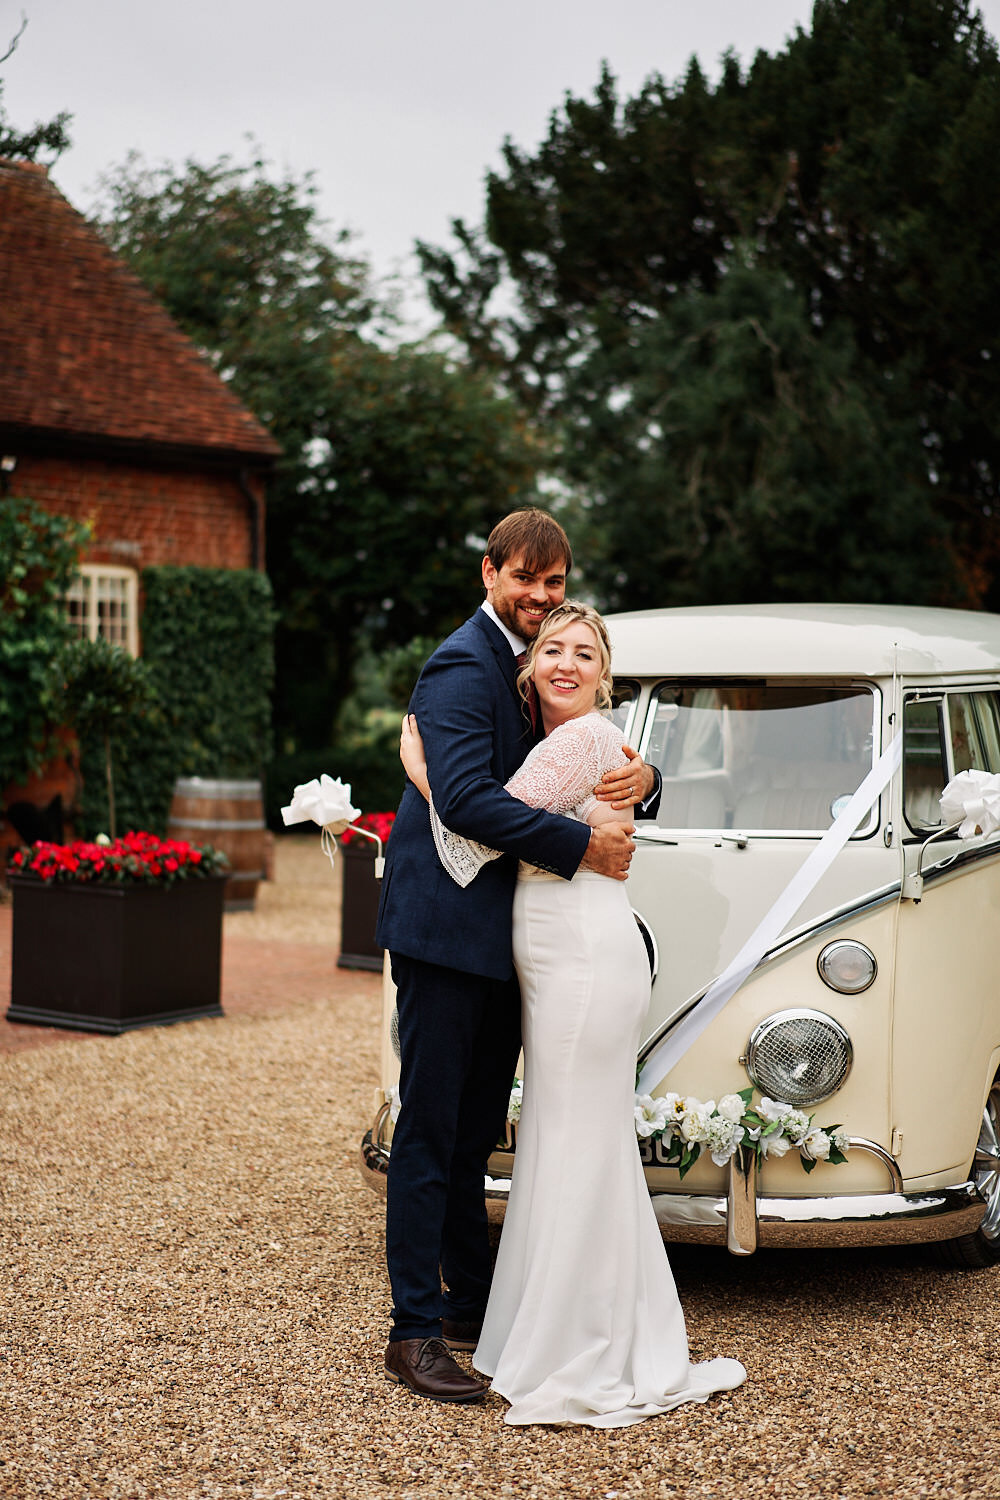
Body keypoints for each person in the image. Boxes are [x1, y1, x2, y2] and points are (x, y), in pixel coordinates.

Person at [401, 600, 747, 1427]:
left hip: (585, 959)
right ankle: (566, 1325)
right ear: (529, 666)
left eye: (583, 654)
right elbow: (525, 808)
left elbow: (472, 829)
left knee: (575, 1140)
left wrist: (421, 773)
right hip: (561, 959)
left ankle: (577, 1339)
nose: (564, 662)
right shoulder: (563, 739)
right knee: (568, 1139)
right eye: (551, 648)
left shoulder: (585, 738)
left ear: (604, 675)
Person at [375, 509, 658, 1404]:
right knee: (429, 1131)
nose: (541, 597)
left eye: (556, 582)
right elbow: (464, 799)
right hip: (448, 936)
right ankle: (413, 1331)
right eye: (525, 579)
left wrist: (646, 783)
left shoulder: (535, 668)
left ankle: (471, 1303)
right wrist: (582, 851)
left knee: (470, 1139)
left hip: (509, 943)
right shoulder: (465, 663)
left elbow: (588, 758)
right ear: (489, 573)